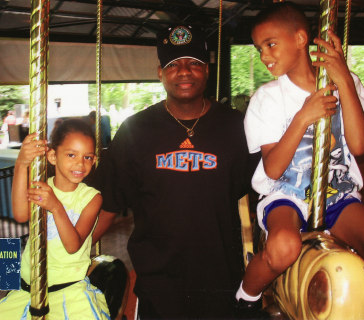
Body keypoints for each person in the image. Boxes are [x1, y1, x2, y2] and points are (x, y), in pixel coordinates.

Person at [91, 25, 259, 318]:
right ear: (160, 73)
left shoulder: (236, 127)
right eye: (173, 65)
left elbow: (263, 189)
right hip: (159, 284)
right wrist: (66, 247)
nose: (184, 71)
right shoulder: (135, 131)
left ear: (207, 70)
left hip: (220, 279)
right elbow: (108, 203)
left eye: (194, 63)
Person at [239, 2, 364, 316]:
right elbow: (274, 168)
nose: (264, 56)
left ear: (301, 39)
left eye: (271, 44)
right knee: (283, 247)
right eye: (259, 48)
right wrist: (303, 117)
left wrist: (344, 79)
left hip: (337, 195)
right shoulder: (267, 98)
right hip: (286, 195)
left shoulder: (348, 82)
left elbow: (359, 146)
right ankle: (246, 297)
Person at [0, 119, 110, 319]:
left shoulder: (91, 198)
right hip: (30, 285)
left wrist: (55, 206)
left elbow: (73, 245)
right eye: (71, 155)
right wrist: (22, 164)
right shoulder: (42, 187)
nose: (80, 163)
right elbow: (20, 215)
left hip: (68, 287)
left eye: (87, 157)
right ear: (52, 156)